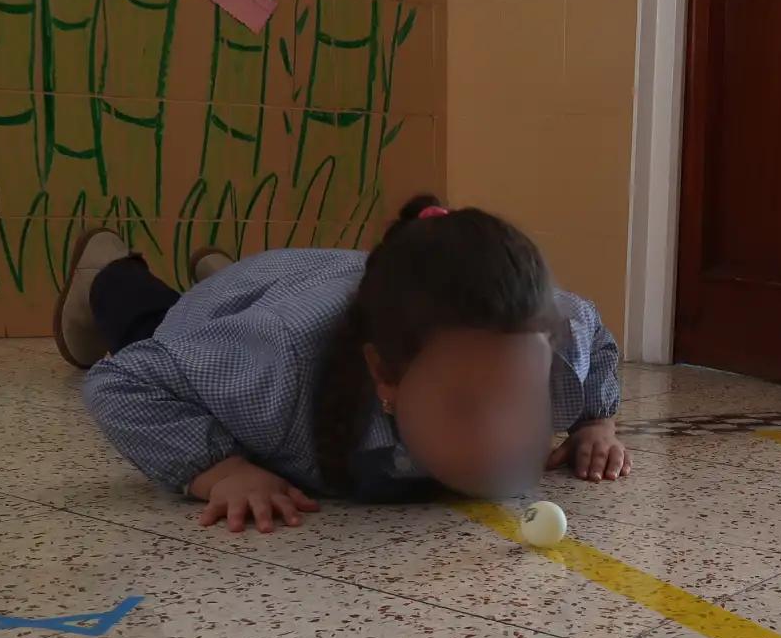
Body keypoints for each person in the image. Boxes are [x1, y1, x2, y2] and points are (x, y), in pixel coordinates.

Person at [55, 195, 630, 532]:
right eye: (462, 406)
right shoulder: (279, 363)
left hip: (318, 287)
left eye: (520, 399)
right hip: (266, 305)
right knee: (151, 325)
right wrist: (219, 470)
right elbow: (124, 381)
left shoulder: (557, 342)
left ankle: (224, 272)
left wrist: (596, 422)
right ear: (384, 376)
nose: (497, 439)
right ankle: (107, 274)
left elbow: (595, 335)